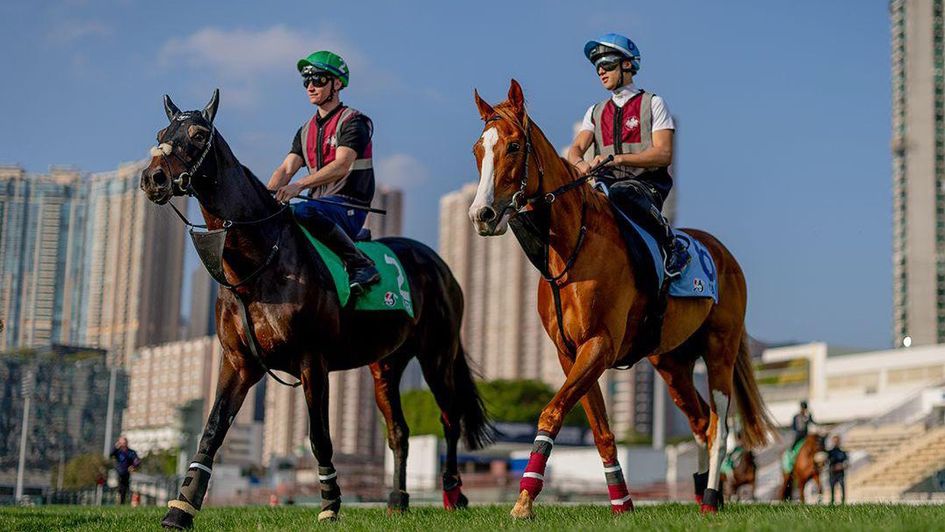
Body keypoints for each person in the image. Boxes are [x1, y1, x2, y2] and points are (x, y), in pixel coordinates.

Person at [566, 32, 688, 277]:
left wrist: (617, 159)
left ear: (628, 65)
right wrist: (580, 163)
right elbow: (576, 149)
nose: (601, 71)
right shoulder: (594, 111)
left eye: (607, 65)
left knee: (623, 191)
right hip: (606, 185)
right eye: (597, 67)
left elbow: (663, 154)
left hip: (645, 185)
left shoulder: (653, 103)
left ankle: (672, 244)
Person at [269, 50, 380, 294]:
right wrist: (265, 196)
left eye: (318, 79)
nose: (310, 86)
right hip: (319, 208)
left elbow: (342, 165)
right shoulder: (304, 130)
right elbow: (286, 168)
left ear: (337, 83)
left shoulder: (354, 121)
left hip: (348, 206)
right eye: (306, 81)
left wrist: (299, 186)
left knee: (302, 209)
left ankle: (360, 264)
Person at [110, 436, 141, 505]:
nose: (123, 444)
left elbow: (137, 461)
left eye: (124, 442)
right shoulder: (118, 452)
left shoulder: (131, 452)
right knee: (120, 487)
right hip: (119, 472)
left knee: (125, 488)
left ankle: (122, 502)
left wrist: (134, 466)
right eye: (122, 443)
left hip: (127, 472)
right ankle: (119, 500)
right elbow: (111, 454)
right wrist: (115, 447)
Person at [827, 434, 848, 505]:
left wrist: (841, 466)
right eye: (834, 441)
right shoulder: (829, 452)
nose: (836, 442)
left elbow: (847, 463)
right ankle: (832, 501)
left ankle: (843, 501)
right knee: (832, 488)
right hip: (832, 473)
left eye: (837, 441)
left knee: (842, 486)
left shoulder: (842, 452)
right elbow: (827, 462)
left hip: (840, 473)